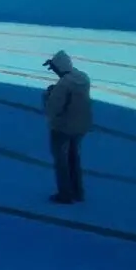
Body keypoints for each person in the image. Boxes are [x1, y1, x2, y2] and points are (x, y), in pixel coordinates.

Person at [42, 50, 92, 204]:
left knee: (61, 161)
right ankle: (78, 191)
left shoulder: (63, 85)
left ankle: (65, 194)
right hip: (81, 126)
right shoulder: (83, 77)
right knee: (74, 158)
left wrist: (48, 95)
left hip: (62, 128)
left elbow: (53, 109)